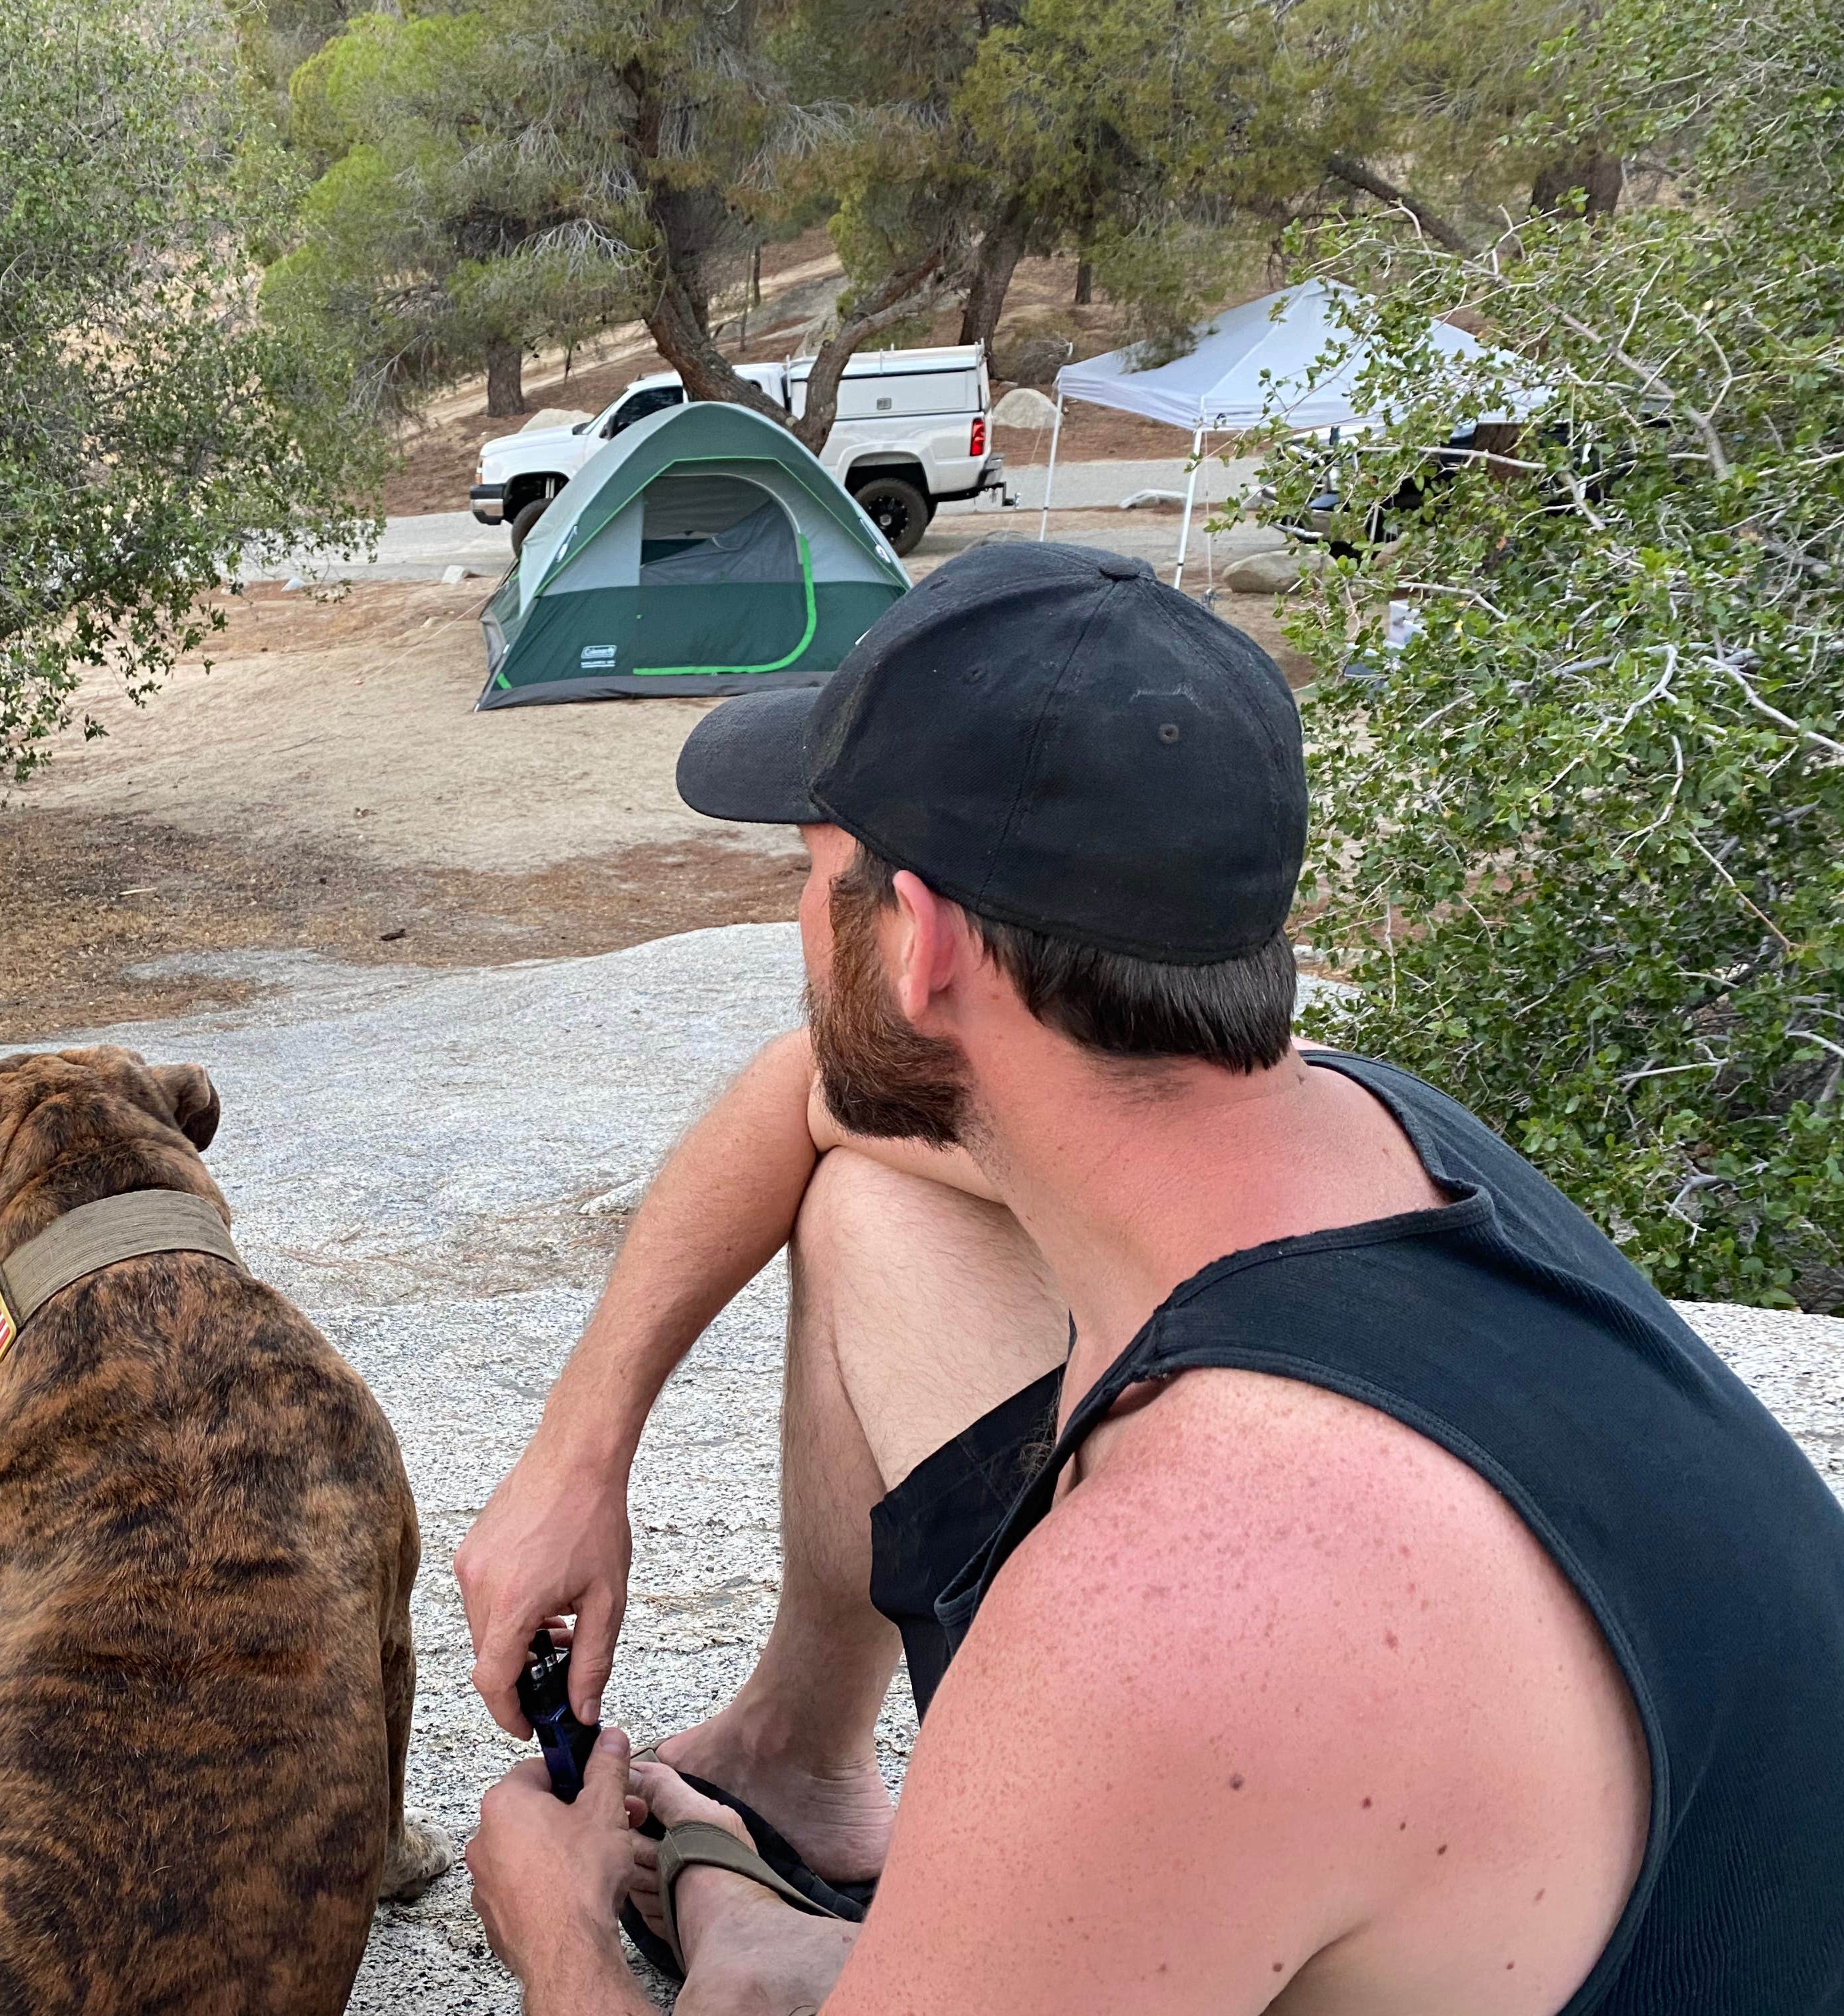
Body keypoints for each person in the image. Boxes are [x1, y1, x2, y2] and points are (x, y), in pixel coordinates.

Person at [455, 543, 1844, 2015]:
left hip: (1243, 1717)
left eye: (808, 873)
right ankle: (796, 1782)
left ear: (918, 943)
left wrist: (559, 1930)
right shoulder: (1370, 1131)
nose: (796, 923)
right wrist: (580, 1453)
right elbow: (806, 1097)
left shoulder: (1174, 1608)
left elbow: (1201, 1635)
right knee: (871, 1196)